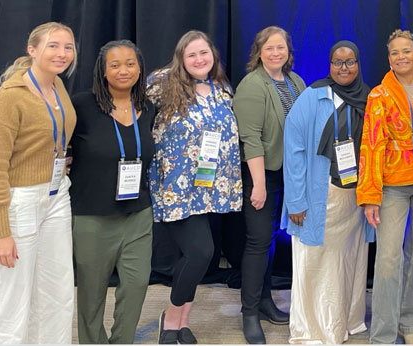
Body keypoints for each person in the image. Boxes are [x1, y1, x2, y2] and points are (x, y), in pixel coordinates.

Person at [0, 21, 77, 344]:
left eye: (68, 46)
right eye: (53, 45)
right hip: (17, 202)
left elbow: (49, 137)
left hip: (55, 196)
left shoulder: (58, 87)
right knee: (9, 295)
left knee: (57, 290)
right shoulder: (7, 99)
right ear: (32, 49)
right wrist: (0, 231)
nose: (62, 53)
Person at [147, 30, 242, 344]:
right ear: (181, 59)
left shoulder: (223, 89)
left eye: (204, 53)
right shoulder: (161, 85)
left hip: (209, 188)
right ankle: (171, 316)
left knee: (198, 255)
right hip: (175, 188)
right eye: (192, 55)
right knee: (201, 252)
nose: (199, 60)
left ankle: (181, 322)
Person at [282, 40, 375, 344]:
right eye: (337, 62)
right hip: (317, 198)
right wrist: (296, 199)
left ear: (359, 64)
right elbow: (293, 151)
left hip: (353, 202)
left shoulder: (370, 97)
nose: (344, 68)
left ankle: (346, 321)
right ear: (329, 65)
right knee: (315, 263)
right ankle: (315, 330)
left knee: (348, 262)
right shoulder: (312, 97)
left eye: (350, 62)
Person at [357, 29, 413, 344]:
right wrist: (370, 196)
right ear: (389, 59)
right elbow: (370, 147)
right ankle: (382, 334)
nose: (401, 57)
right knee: (388, 260)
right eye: (394, 52)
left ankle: (410, 324)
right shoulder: (379, 95)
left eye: (406, 51)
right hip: (392, 187)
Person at [69, 39, 156, 344]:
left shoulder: (148, 109)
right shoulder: (81, 106)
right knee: (91, 296)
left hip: (138, 214)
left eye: (130, 63)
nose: (124, 70)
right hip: (92, 216)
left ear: (140, 68)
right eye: (115, 64)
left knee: (136, 285)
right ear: (103, 71)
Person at [233, 25, 306, 344]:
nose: (276, 53)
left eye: (281, 47)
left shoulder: (295, 81)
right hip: (262, 173)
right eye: (269, 48)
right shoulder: (252, 85)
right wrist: (259, 185)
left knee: (273, 242)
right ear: (258, 52)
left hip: (290, 173)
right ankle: (249, 313)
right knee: (258, 242)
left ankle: (265, 303)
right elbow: (251, 140)